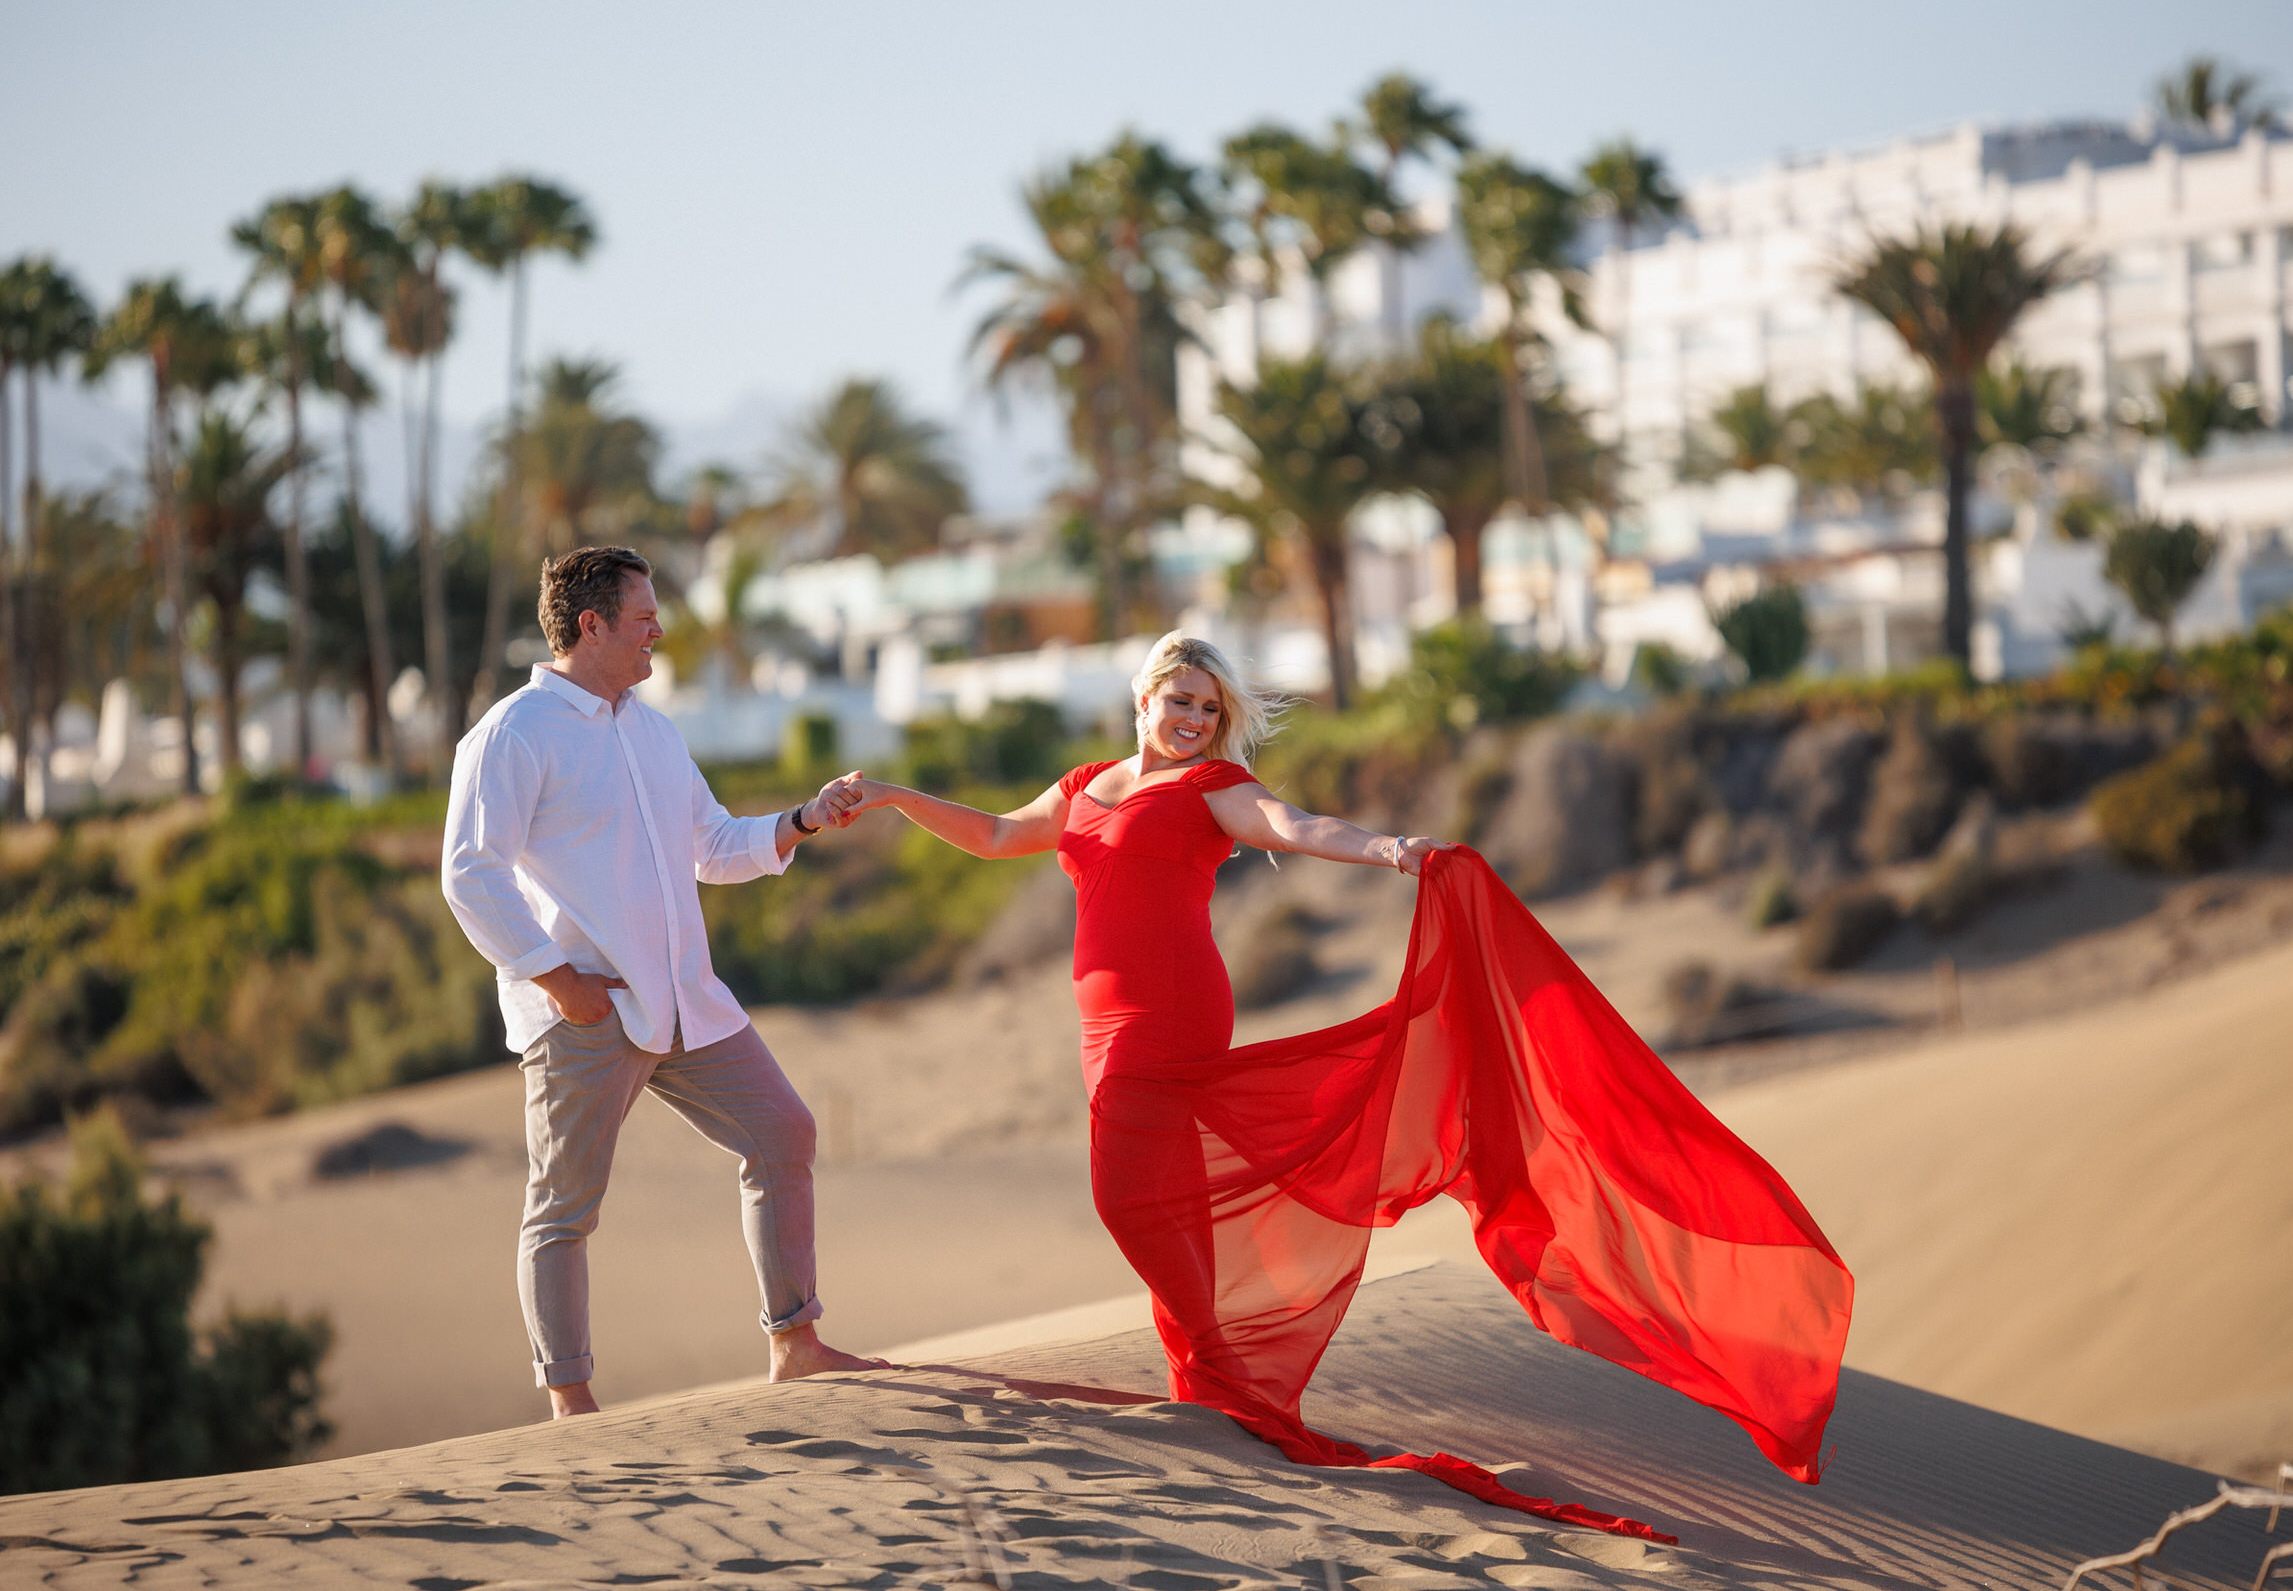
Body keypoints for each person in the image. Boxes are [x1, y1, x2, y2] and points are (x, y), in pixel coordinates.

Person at [825, 631, 1853, 1537]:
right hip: (1100, 1029)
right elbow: (996, 835)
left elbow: (1296, 825)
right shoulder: (1088, 783)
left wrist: (1393, 850)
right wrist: (896, 797)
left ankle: (1218, 1380)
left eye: (1208, 708)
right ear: (1142, 696)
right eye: (1179, 700)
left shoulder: (1210, 789)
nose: (1192, 719)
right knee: (1162, 1198)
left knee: (1124, 1195)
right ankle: (1209, 1385)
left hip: (1166, 1017)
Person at [441, 544, 877, 1419]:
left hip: (685, 999)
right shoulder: (513, 733)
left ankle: (795, 1344)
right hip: (587, 1011)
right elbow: (469, 874)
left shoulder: (652, 728)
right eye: (644, 618)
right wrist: (559, 982)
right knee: (564, 1208)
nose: (658, 632)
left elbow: (711, 846)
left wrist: (801, 819)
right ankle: (571, 1404)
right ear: (592, 625)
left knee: (783, 1132)